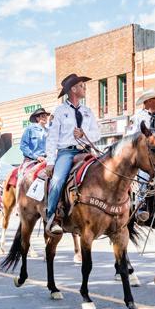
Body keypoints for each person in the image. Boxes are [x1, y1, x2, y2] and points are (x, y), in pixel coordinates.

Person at [44, 74, 101, 235]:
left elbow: (97, 134)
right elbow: (52, 138)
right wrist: (50, 161)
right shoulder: (59, 111)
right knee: (57, 180)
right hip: (66, 152)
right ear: (73, 89)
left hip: (86, 151)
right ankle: (52, 217)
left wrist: (84, 133)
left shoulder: (88, 111)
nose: (85, 88)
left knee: (106, 172)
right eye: (82, 86)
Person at [127, 89, 155, 222]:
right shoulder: (137, 118)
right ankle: (141, 207)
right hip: (143, 156)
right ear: (149, 101)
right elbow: (130, 137)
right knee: (144, 175)